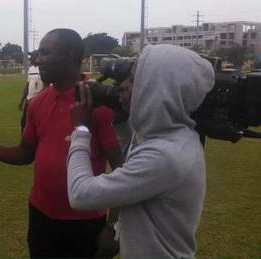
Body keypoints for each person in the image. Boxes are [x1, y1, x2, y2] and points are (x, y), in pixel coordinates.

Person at [0, 28, 123, 258]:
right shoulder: (37, 103)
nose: (38, 59)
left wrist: (113, 226)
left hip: (85, 222)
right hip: (40, 215)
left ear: (69, 55)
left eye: (45, 52)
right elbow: (25, 153)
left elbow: (121, 168)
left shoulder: (96, 103)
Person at [67, 44, 215, 258]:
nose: (123, 86)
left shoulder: (165, 155)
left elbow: (80, 194)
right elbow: (135, 165)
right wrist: (122, 123)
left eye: (135, 80)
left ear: (160, 90)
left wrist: (80, 130)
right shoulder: (177, 139)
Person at [18, 51, 44, 131]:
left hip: (39, 102)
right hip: (29, 100)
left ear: (37, 57)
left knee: (38, 124)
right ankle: (25, 141)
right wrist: (22, 101)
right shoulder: (31, 69)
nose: (30, 58)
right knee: (24, 123)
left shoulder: (43, 69)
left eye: (32, 56)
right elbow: (27, 85)